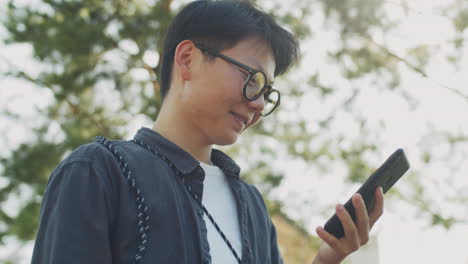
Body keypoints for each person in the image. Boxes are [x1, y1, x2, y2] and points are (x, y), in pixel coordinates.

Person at [31, 0, 384, 263]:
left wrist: (326, 259)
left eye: (268, 93)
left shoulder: (252, 205)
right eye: (254, 80)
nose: (259, 104)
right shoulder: (100, 171)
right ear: (188, 59)